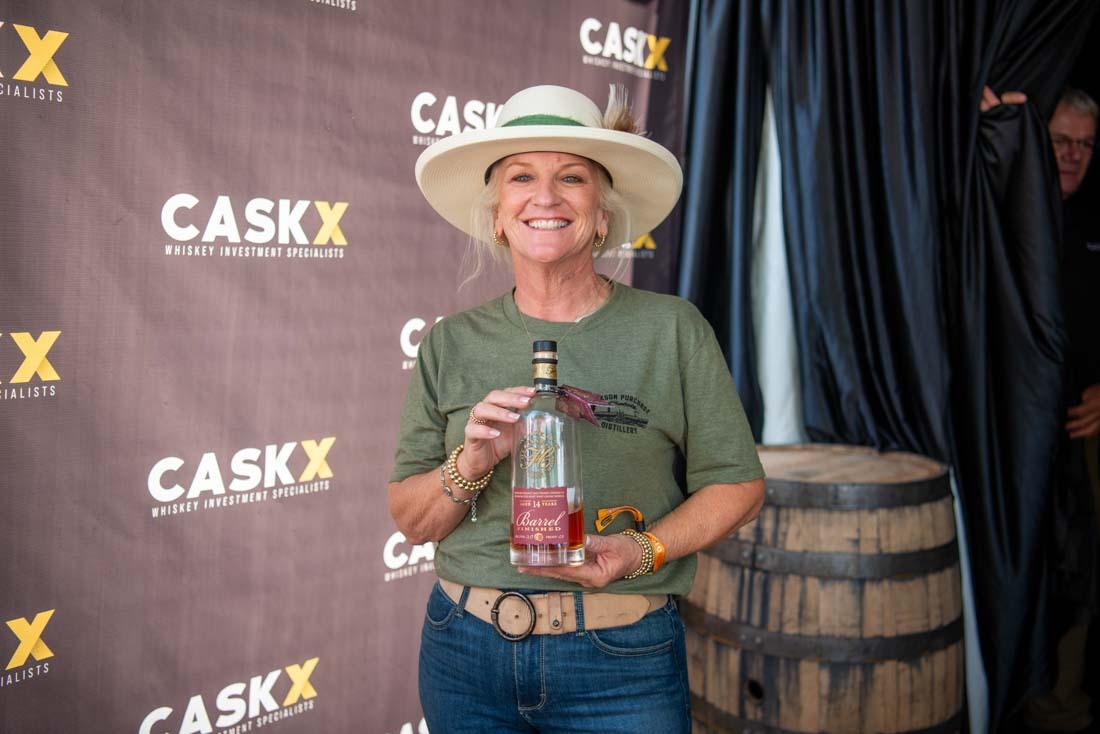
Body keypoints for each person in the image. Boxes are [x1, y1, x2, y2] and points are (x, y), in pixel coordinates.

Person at [388, 84, 765, 733]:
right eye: (521, 177)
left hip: (621, 658)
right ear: (498, 216)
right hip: (464, 652)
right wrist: (471, 462)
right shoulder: (450, 342)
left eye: (571, 177)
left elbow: (739, 486)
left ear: (602, 215)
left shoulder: (671, 330)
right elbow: (413, 520)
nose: (545, 196)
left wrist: (638, 551)